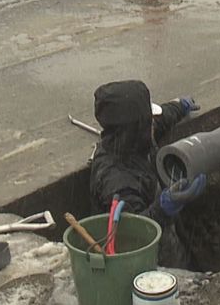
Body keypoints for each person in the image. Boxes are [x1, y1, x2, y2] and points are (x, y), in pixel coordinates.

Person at [87, 80, 204, 268]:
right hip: (145, 266)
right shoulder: (117, 183)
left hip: (170, 245)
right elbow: (133, 233)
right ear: (136, 128)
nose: (153, 124)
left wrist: (179, 106)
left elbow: (162, 119)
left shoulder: (132, 140)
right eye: (149, 120)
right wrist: (163, 208)